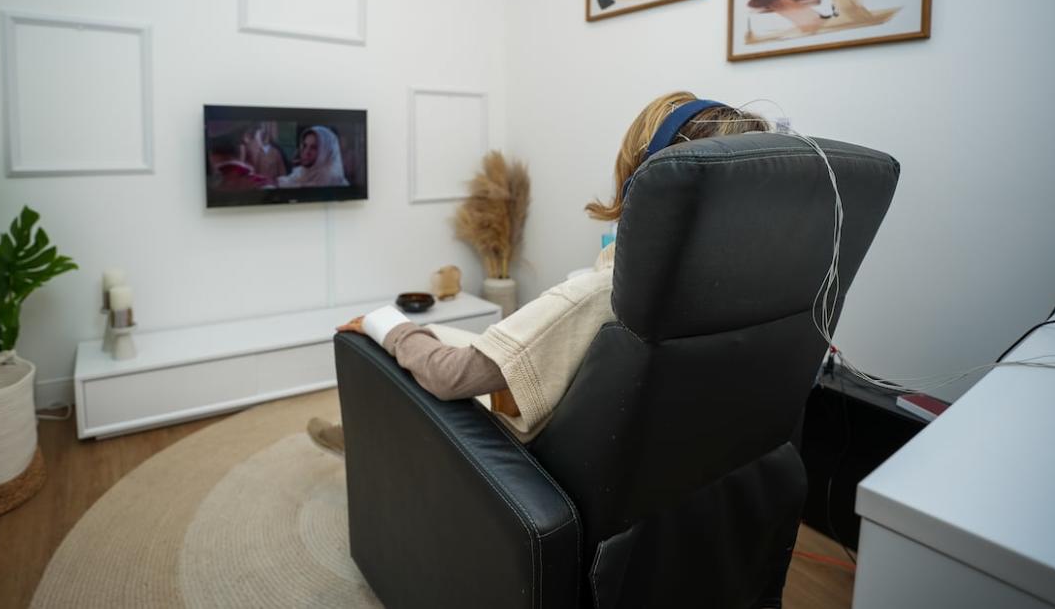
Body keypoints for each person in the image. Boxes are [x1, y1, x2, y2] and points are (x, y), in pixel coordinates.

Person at [309, 92, 769, 455]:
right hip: (645, 461)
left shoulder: (603, 294)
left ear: (643, 181)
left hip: (522, 454)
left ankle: (367, 442)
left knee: (399, 345)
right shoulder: (755, 288)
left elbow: (451, 378)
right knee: (444, 331)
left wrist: (387, 326)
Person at [277, 126, 350, 188]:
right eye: (305, 146)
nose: (306, 152)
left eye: (314, 147)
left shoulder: (334, 180)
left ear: (325, 152)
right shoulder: (302, 171)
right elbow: (289, 181)